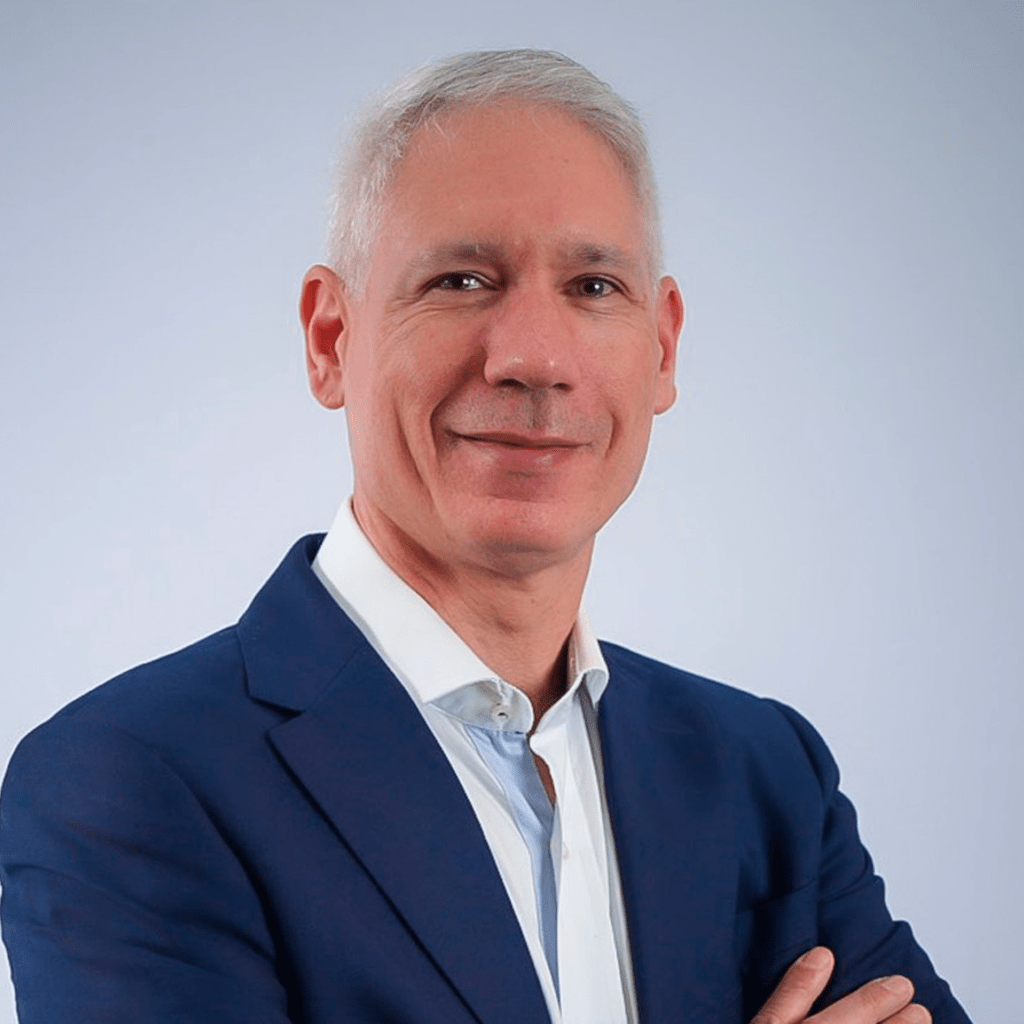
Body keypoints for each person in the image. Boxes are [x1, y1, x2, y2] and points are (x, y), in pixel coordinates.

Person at [0, 49, 970, 1024]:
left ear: (663, 348)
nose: (536, 359)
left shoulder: (764, 771)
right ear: (331, 339)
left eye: (594, 286)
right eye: (462, 279)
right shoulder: (126, 781)